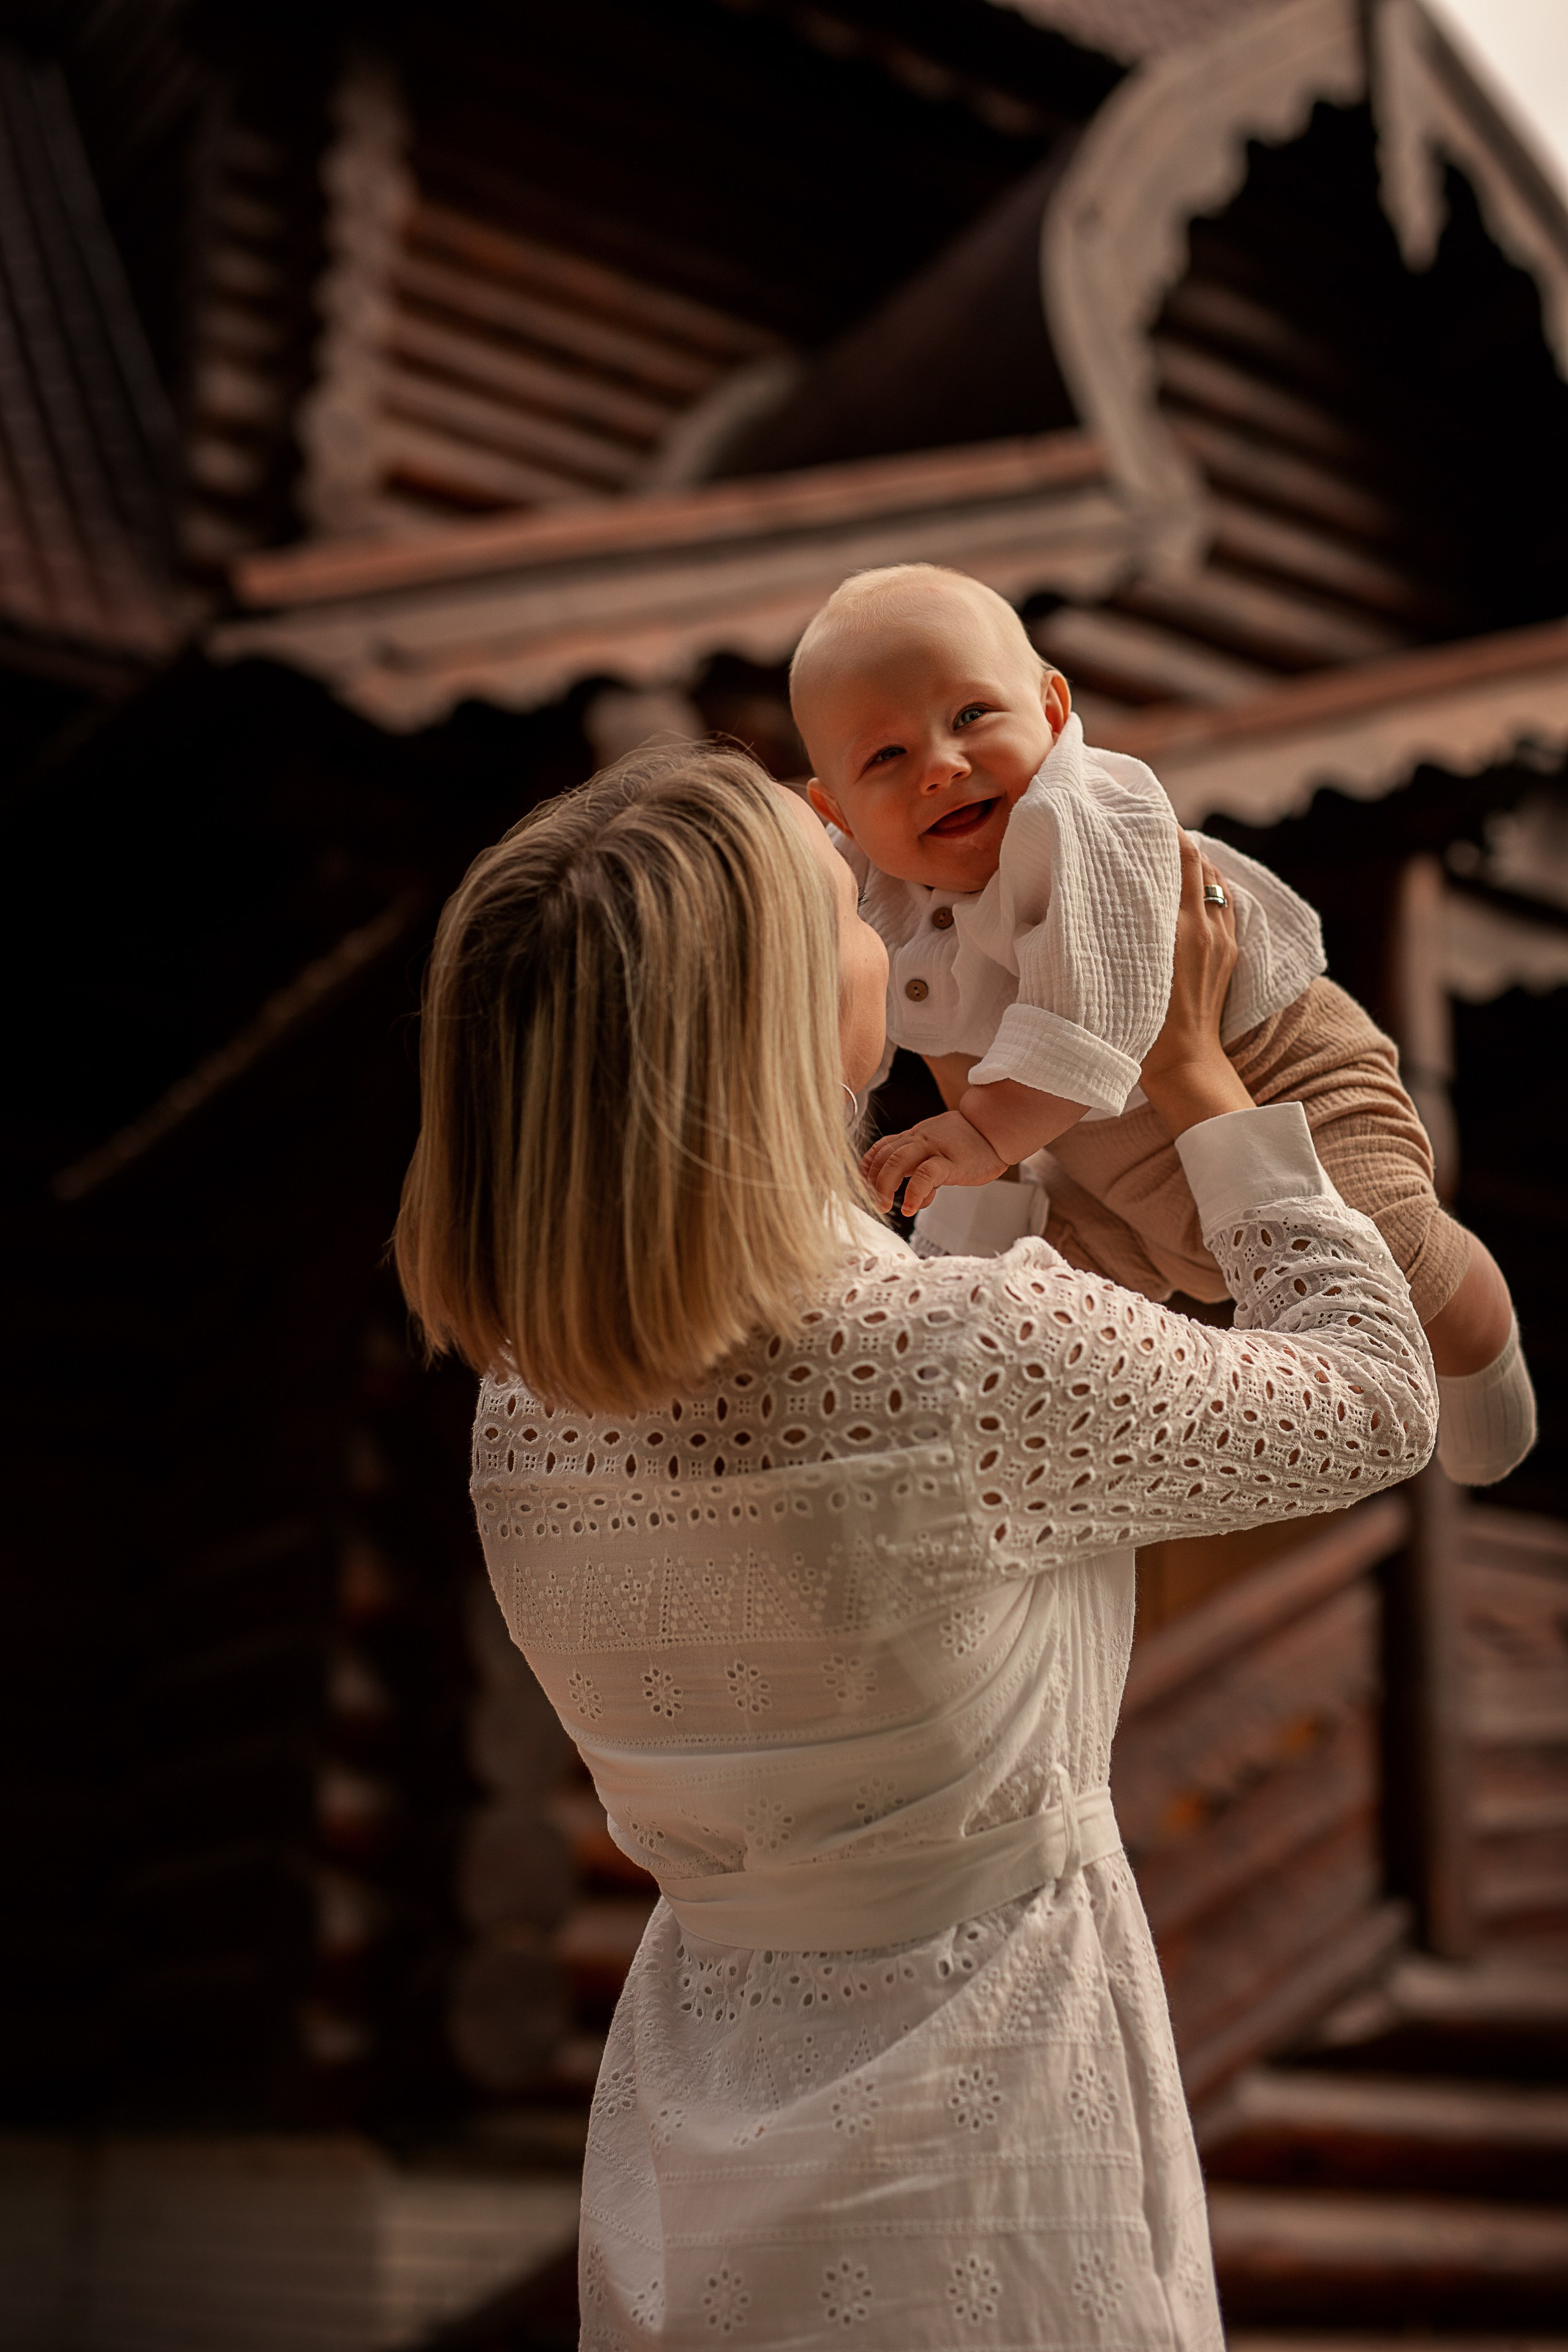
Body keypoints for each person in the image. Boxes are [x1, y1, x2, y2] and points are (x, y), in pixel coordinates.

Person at [395, 741, 1436, 2351]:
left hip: (697, 2136)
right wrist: (1194, 1079)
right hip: (992, 2140)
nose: (886, 907)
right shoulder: (968, 1357)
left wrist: (994, 1143)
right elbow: (1377, 1399)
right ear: (784, 1011)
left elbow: (882, 1434)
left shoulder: (523, 1415)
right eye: (845, 901)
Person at [792, 563, 1532, 1490]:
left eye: (972, 715)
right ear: (836, 812)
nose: (940, 765)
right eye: (885, 758)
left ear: (1053, 711)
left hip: (1278, 1075)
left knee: (1389, 1242)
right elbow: (888, 1030)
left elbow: (1101, 1005)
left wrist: (979, 1132)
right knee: (1040, 1300)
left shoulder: (1090, 815)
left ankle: (1483, 1343)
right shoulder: (871, 889)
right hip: (1097, 1163)